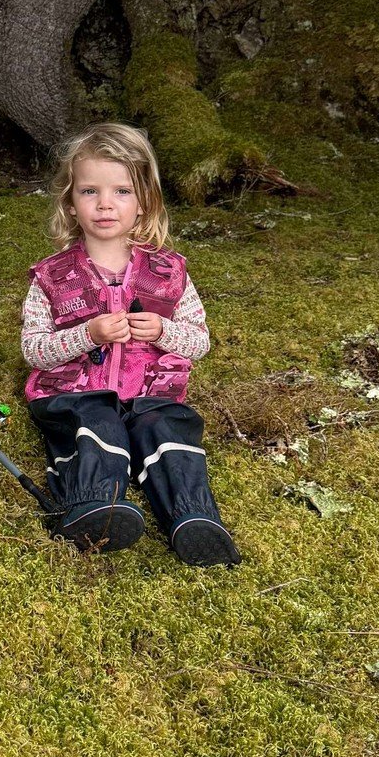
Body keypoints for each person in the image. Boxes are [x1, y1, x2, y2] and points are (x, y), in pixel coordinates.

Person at [21, 121, 239, 566]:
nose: (105, 204)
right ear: (70, 202)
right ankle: (95, 507)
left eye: (121, 191)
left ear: (144, 203)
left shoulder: (168, 273)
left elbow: (199, 341)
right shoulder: (52, 276)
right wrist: (88, 334)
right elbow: (34, 348)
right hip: (77, 394)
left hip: (151, 393)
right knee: (97, 425)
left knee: (167, 431)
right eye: (89, 192)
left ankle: (194, 518)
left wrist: (163, 331)